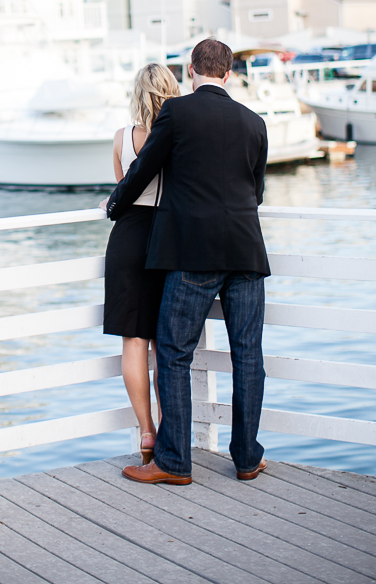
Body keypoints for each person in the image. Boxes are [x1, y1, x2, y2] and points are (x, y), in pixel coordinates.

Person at [105, 38, 270, 485]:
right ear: (229, 74)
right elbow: (256, 192)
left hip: (193, 253)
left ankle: (174, 461)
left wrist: (115, 206)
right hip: (246, 251)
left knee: (174, 351)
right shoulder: (255, 123)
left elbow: (143, 169)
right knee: (248, 355)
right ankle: (246, 457)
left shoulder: (177, 114)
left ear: (192, 70)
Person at [102, 63, 181, 464]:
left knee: (132, 342)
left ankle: (146, 432)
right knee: (164, 342)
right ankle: (168, 432)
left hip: (128, 240)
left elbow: (122, 193)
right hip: (167, 241)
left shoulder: (122, 139)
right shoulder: (181, 138)